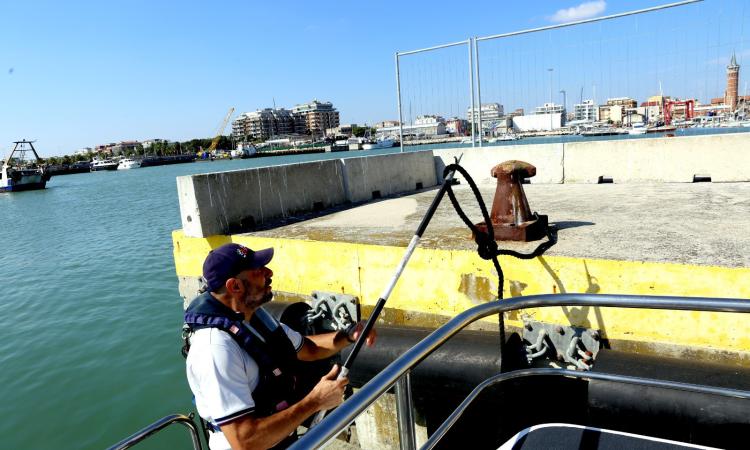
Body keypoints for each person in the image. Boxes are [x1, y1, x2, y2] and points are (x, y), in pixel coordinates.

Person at [183, 243, 376, 450]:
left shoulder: (253, 319)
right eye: (258, 271)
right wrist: (315, 401)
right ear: (235, 286)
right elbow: (244, 440)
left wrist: (348, 336)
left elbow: (308, 348)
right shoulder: (215, 350)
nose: (269, 273)